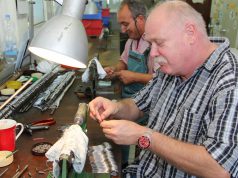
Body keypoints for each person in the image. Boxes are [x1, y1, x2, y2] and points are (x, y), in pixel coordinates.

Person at [89, 1, 238, 177]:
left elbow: (220, 169)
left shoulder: (230, 82)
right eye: (151, 44)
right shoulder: (170, 68)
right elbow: (138, 105)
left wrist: (144, 137)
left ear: (190, 33)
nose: (152, 54)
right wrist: (116, 107)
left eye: (159, 43)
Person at [104, 0, 158, 98]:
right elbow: (123, 62)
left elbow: (162, 79)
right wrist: (114, 70)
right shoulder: (131, 41)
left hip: (147, 102)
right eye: (121, 24)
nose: (123, 30)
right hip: (129, 97)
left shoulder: (155, 44)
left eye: (125, 24)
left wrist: (135, 77)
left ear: (140, 19)